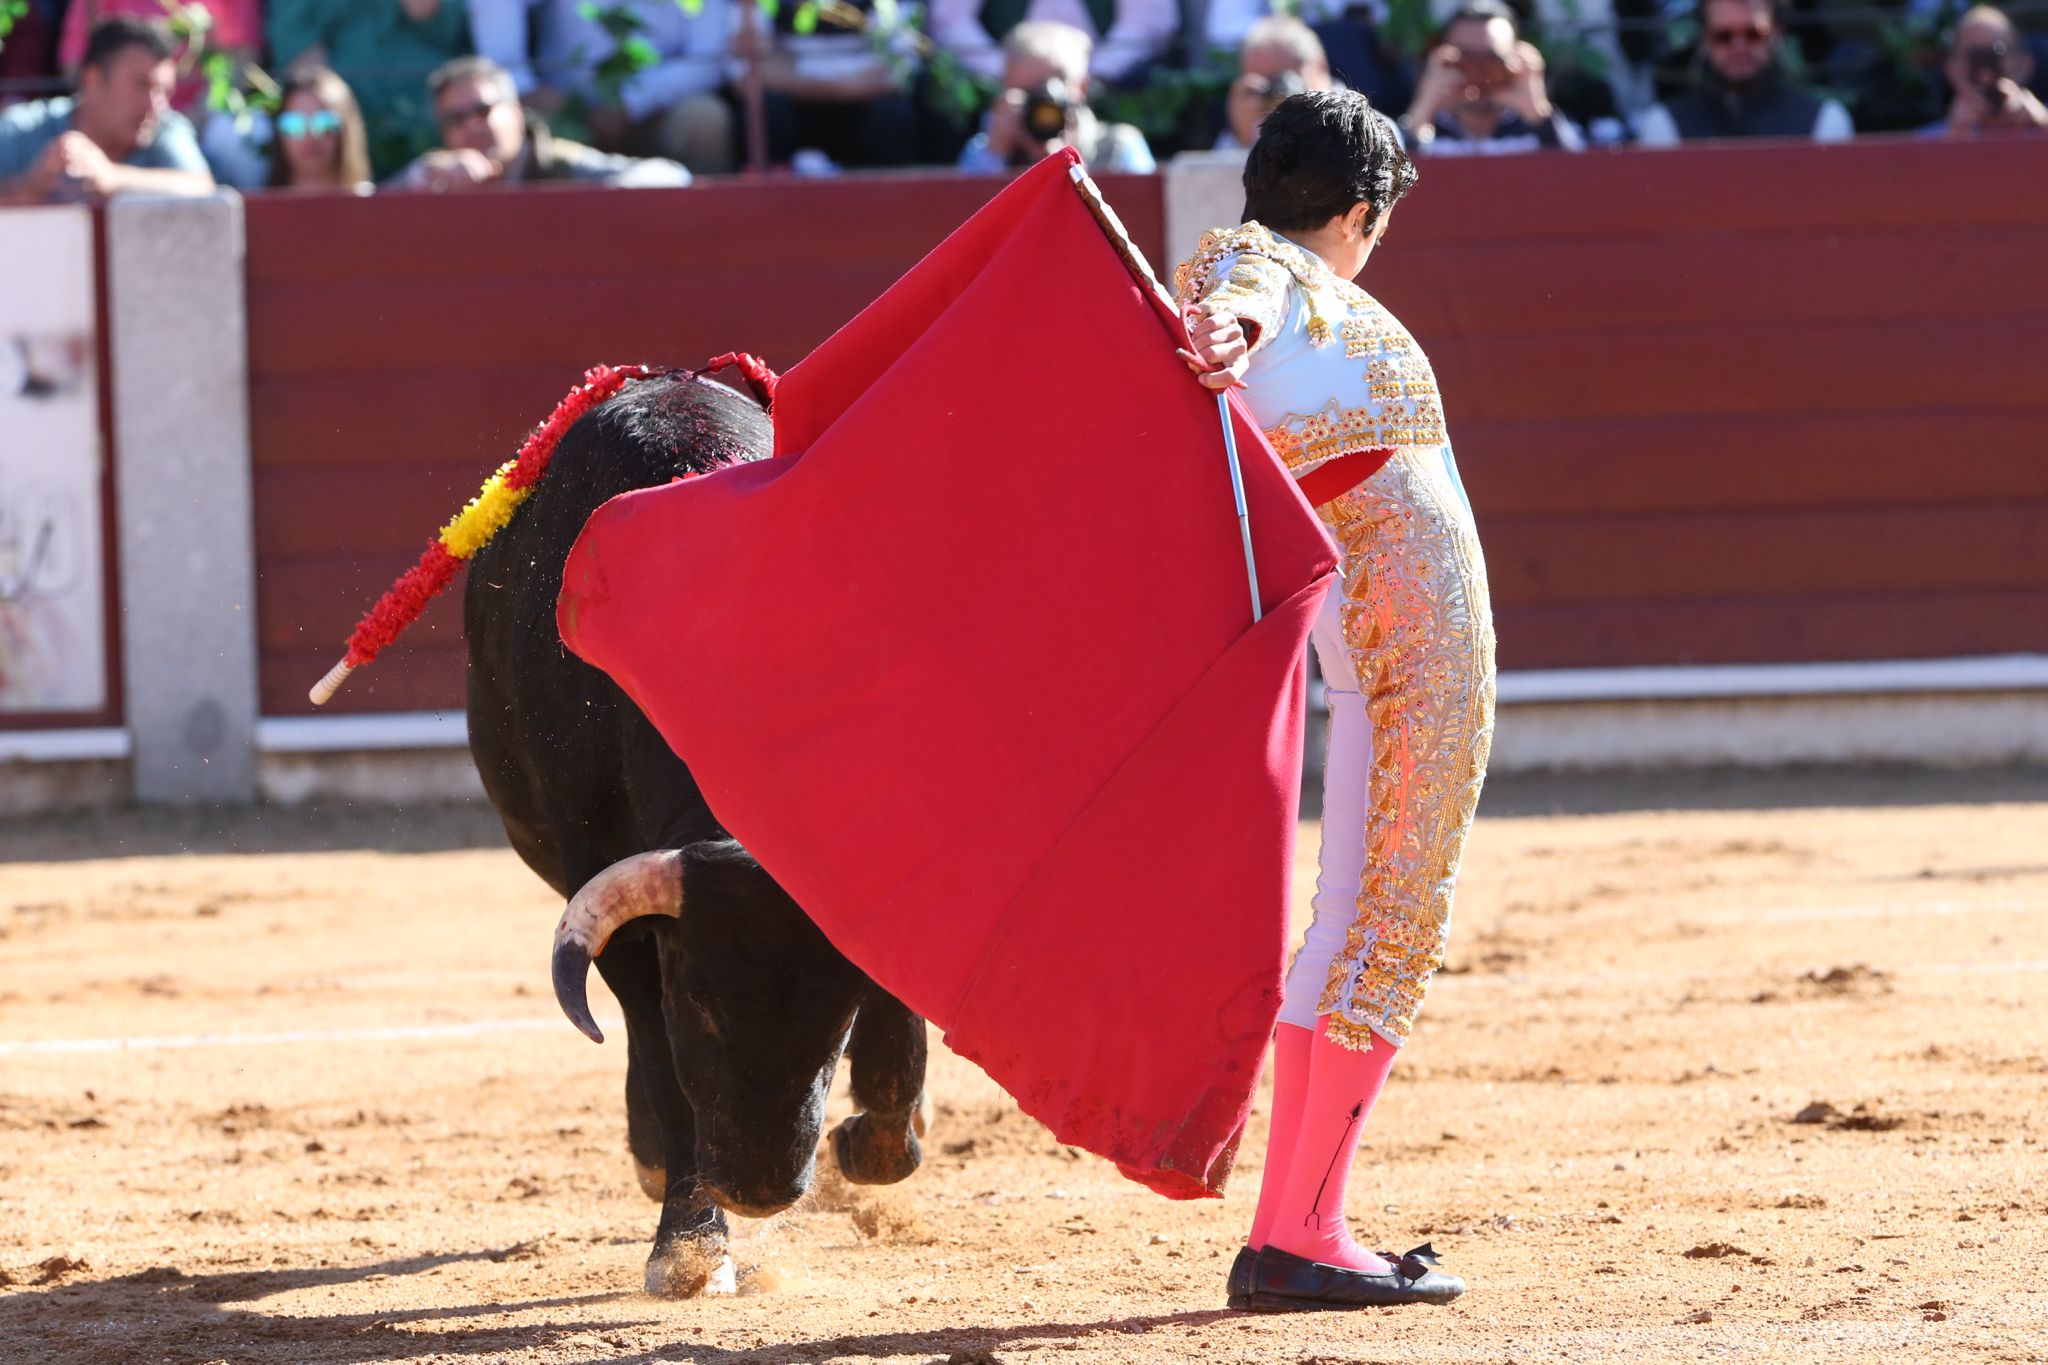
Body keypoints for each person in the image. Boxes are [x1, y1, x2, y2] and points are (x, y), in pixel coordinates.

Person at [1176, 89, 1491, 1312]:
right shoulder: (1258, 270)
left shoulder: (1241, 265)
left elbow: (1237, 307)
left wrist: (1227, 331)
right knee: (1385, 920)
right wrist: (1227, 333)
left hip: (1381, 655)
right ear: (1358, 211)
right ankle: (1303, 1232)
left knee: (1352, 917)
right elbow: (1242, 304)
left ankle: (1294, 1223)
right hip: (1411, 664)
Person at [468, 0, 736, 174]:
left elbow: (708, 60)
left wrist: (631, 103)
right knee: (511, 128)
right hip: (564, 115)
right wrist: (524, 86)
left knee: (705, 119)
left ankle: (705, 235)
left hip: (656, 113)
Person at [386, 55, 690, 190]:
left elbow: (670, 175)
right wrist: (422, 173)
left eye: (483, 110)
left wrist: (605, 197)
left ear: (516, 113)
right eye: (456, 119)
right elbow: (368, 209)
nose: (472, 126)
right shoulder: (436, 178)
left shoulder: (557, 163)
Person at [0, 16, 214, 202]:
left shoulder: (167, 128)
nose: (155, 105)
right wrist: (30, 187)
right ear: (92, 79)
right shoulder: (21, 128)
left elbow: (203, 189)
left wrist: (111, 178)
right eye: (141, 85)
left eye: (165, 91)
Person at [267, 0, 472, 175]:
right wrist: (341, 115)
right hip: (340, 122)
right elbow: (301, 54)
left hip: (425, 117)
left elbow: (441, 23)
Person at [730, 0, 921, 169]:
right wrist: (844, 82)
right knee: (764, 112)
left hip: (866, 104)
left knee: (892, 117)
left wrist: (790, 68)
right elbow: (744, 74)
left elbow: (902, 69)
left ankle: (890, 204)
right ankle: (768, 205)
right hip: (790, 106)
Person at [1633, 0, 1853, 144]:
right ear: (1705, 40)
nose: (1739, 47)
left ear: (1777, 35)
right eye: (1724, 36)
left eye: (1754, 33)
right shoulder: (1664, 126)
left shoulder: (1824, 122)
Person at [957, 20, 1154, 172]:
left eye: (1050, 92)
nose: (1041, 104)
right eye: (1025, 93)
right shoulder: (985, 150)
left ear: (1082, 87)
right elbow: (962, 214)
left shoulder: (1120, 147)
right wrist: (995, 155)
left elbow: (1138, 210)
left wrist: (1066, 165)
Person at [1399, 1, 1585, 153]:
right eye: (1465, 58)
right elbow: (1388, 184)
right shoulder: (1423, 133)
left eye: (1492, 59)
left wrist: (1539, 115)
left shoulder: (1542, 129)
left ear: (1517, 58)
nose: (1479, 71)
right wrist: (1421, 114)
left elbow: (1580, 180)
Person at [930, 0, 1177, 86]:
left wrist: (1097, 73)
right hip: (1003, 81)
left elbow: (1149, 21)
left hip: (1107, 82)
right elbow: (950, 20)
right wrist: (1009, 73)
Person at [1217, 16, 1334, 152]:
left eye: (1280, 79)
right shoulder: (1253, 126)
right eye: (1260, 84)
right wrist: (1241, 136)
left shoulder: (1354, 115)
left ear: (1319, 67)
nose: (1273, 92)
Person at [1928, 6, 2047, 138]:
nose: (1986, 73)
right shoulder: (1922, 145)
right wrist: (1950, 144)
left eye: (1998, 51)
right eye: (1973, 56)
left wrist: (2043, 131)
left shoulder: (2042, 122)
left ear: (2025, 65)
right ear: (1952, 69)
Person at [266, 66, 374, 192]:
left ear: (346, 130)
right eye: (293, 125)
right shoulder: (252, 209)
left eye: (325, 123)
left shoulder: (372, 205)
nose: (310, 137)